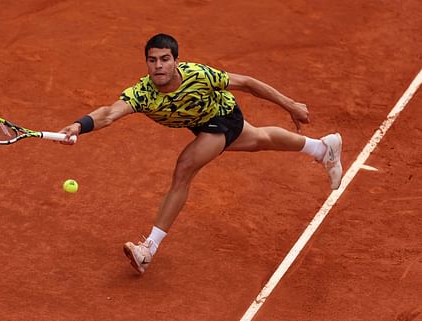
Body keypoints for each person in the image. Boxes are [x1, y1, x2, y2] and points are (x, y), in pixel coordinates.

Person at [58, 33, 342, 275]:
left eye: (165, 59)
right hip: (201, 123)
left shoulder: (199, 75)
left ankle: (148, 249)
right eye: (152, 60)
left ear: (176, 61)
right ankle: (321, 148)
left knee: (184, 169)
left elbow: (247, 83)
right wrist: (78, 126)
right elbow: (108, 114)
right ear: (146, 62)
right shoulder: (142, 94)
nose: (158, 66)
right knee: (260, 139)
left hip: (222, 116)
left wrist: (290, 104)